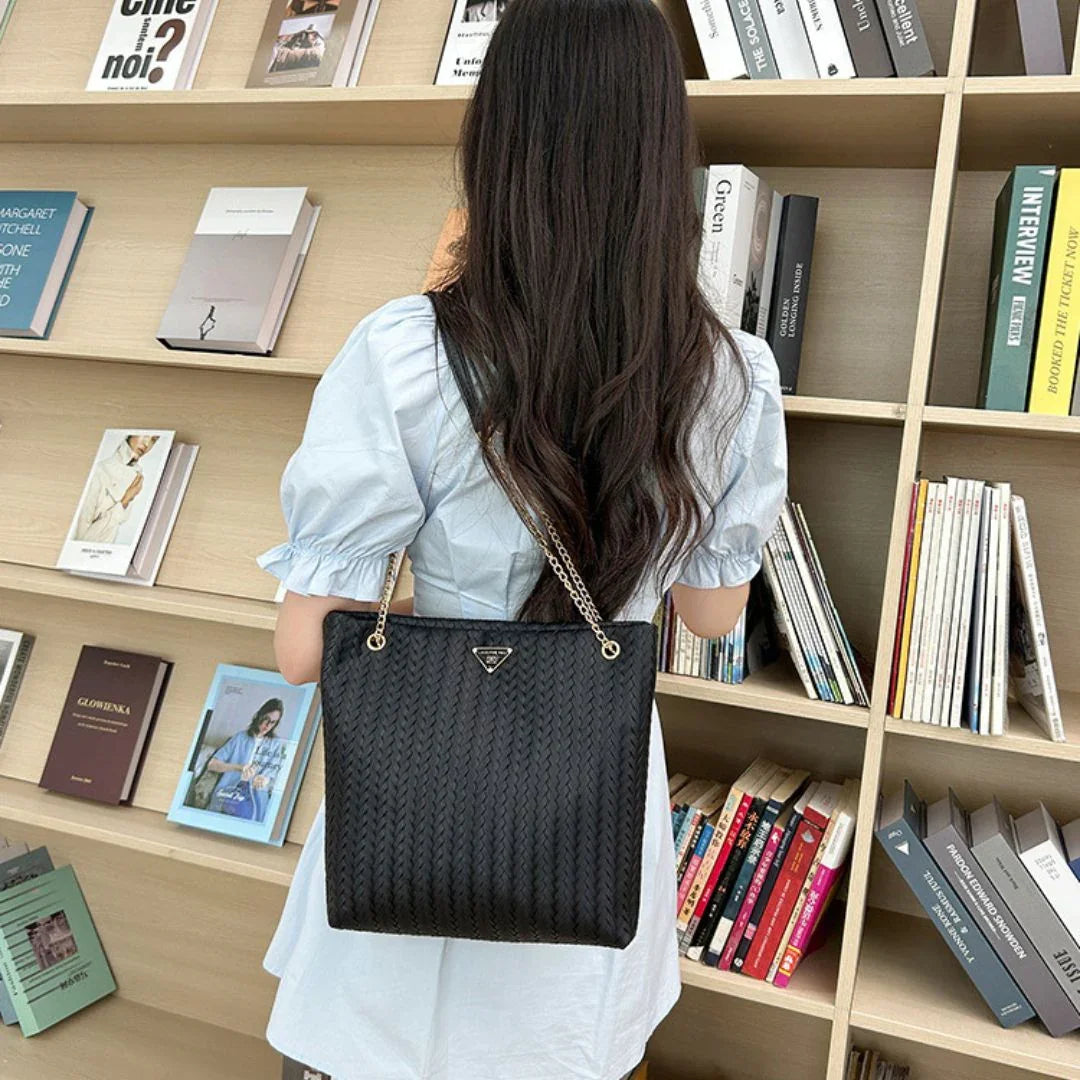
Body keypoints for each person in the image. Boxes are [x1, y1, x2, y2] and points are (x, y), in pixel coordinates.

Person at [256, 1, 787, 1077]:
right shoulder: (729, 374)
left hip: (417, 820)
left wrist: (446, 608)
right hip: (590, 828)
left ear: (496, 142)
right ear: (658, 150)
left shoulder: (409, 353)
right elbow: (712, 614)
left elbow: (309, 653)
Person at [204, 698, 285, 822]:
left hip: (254, 795)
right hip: (229, 791)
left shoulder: (276, 745)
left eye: (273, 722)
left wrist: (265, 779)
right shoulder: (239, 738)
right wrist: (239, 768)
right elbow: (212, 765)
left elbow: (274, 774)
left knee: (247, 816)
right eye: (266, 720)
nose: (267, 726)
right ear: (259, 716)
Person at [73, 433, 158, 544]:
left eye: (154, 440)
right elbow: (81, 540)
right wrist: (125, 500)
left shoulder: (136, 476)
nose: (147, 444)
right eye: (145, 435)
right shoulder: (100, 471)